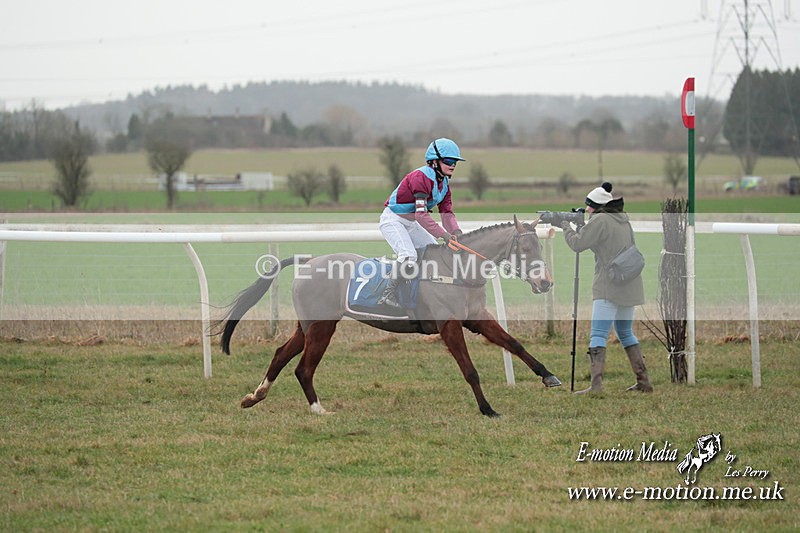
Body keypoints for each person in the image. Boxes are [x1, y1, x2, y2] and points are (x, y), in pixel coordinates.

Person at [559, 181, 652, 394]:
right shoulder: (622, 220)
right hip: (629, 283)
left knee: (598, 335)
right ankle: (644, 382)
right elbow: (600, 241)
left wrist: (565, 225)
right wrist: (583, 225)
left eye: (589, 206)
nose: (587, 210)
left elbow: (577, 244)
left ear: (597, 206)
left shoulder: (600, 220)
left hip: (608, 286)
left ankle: (596, 386)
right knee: (626, 333)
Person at [377, 138, 465, 308]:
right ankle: (387, 294)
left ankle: (424, 292)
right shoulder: (420, 177)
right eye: (448, 161)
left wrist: (457, 232)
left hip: (410, 223)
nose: (453, 165)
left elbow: (446, 213)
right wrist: (444, 235)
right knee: (409, 256)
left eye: (455, 162)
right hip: (393, 220)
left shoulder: (444, 184)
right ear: (434, 161)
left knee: (435, 254)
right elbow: (421, 216)